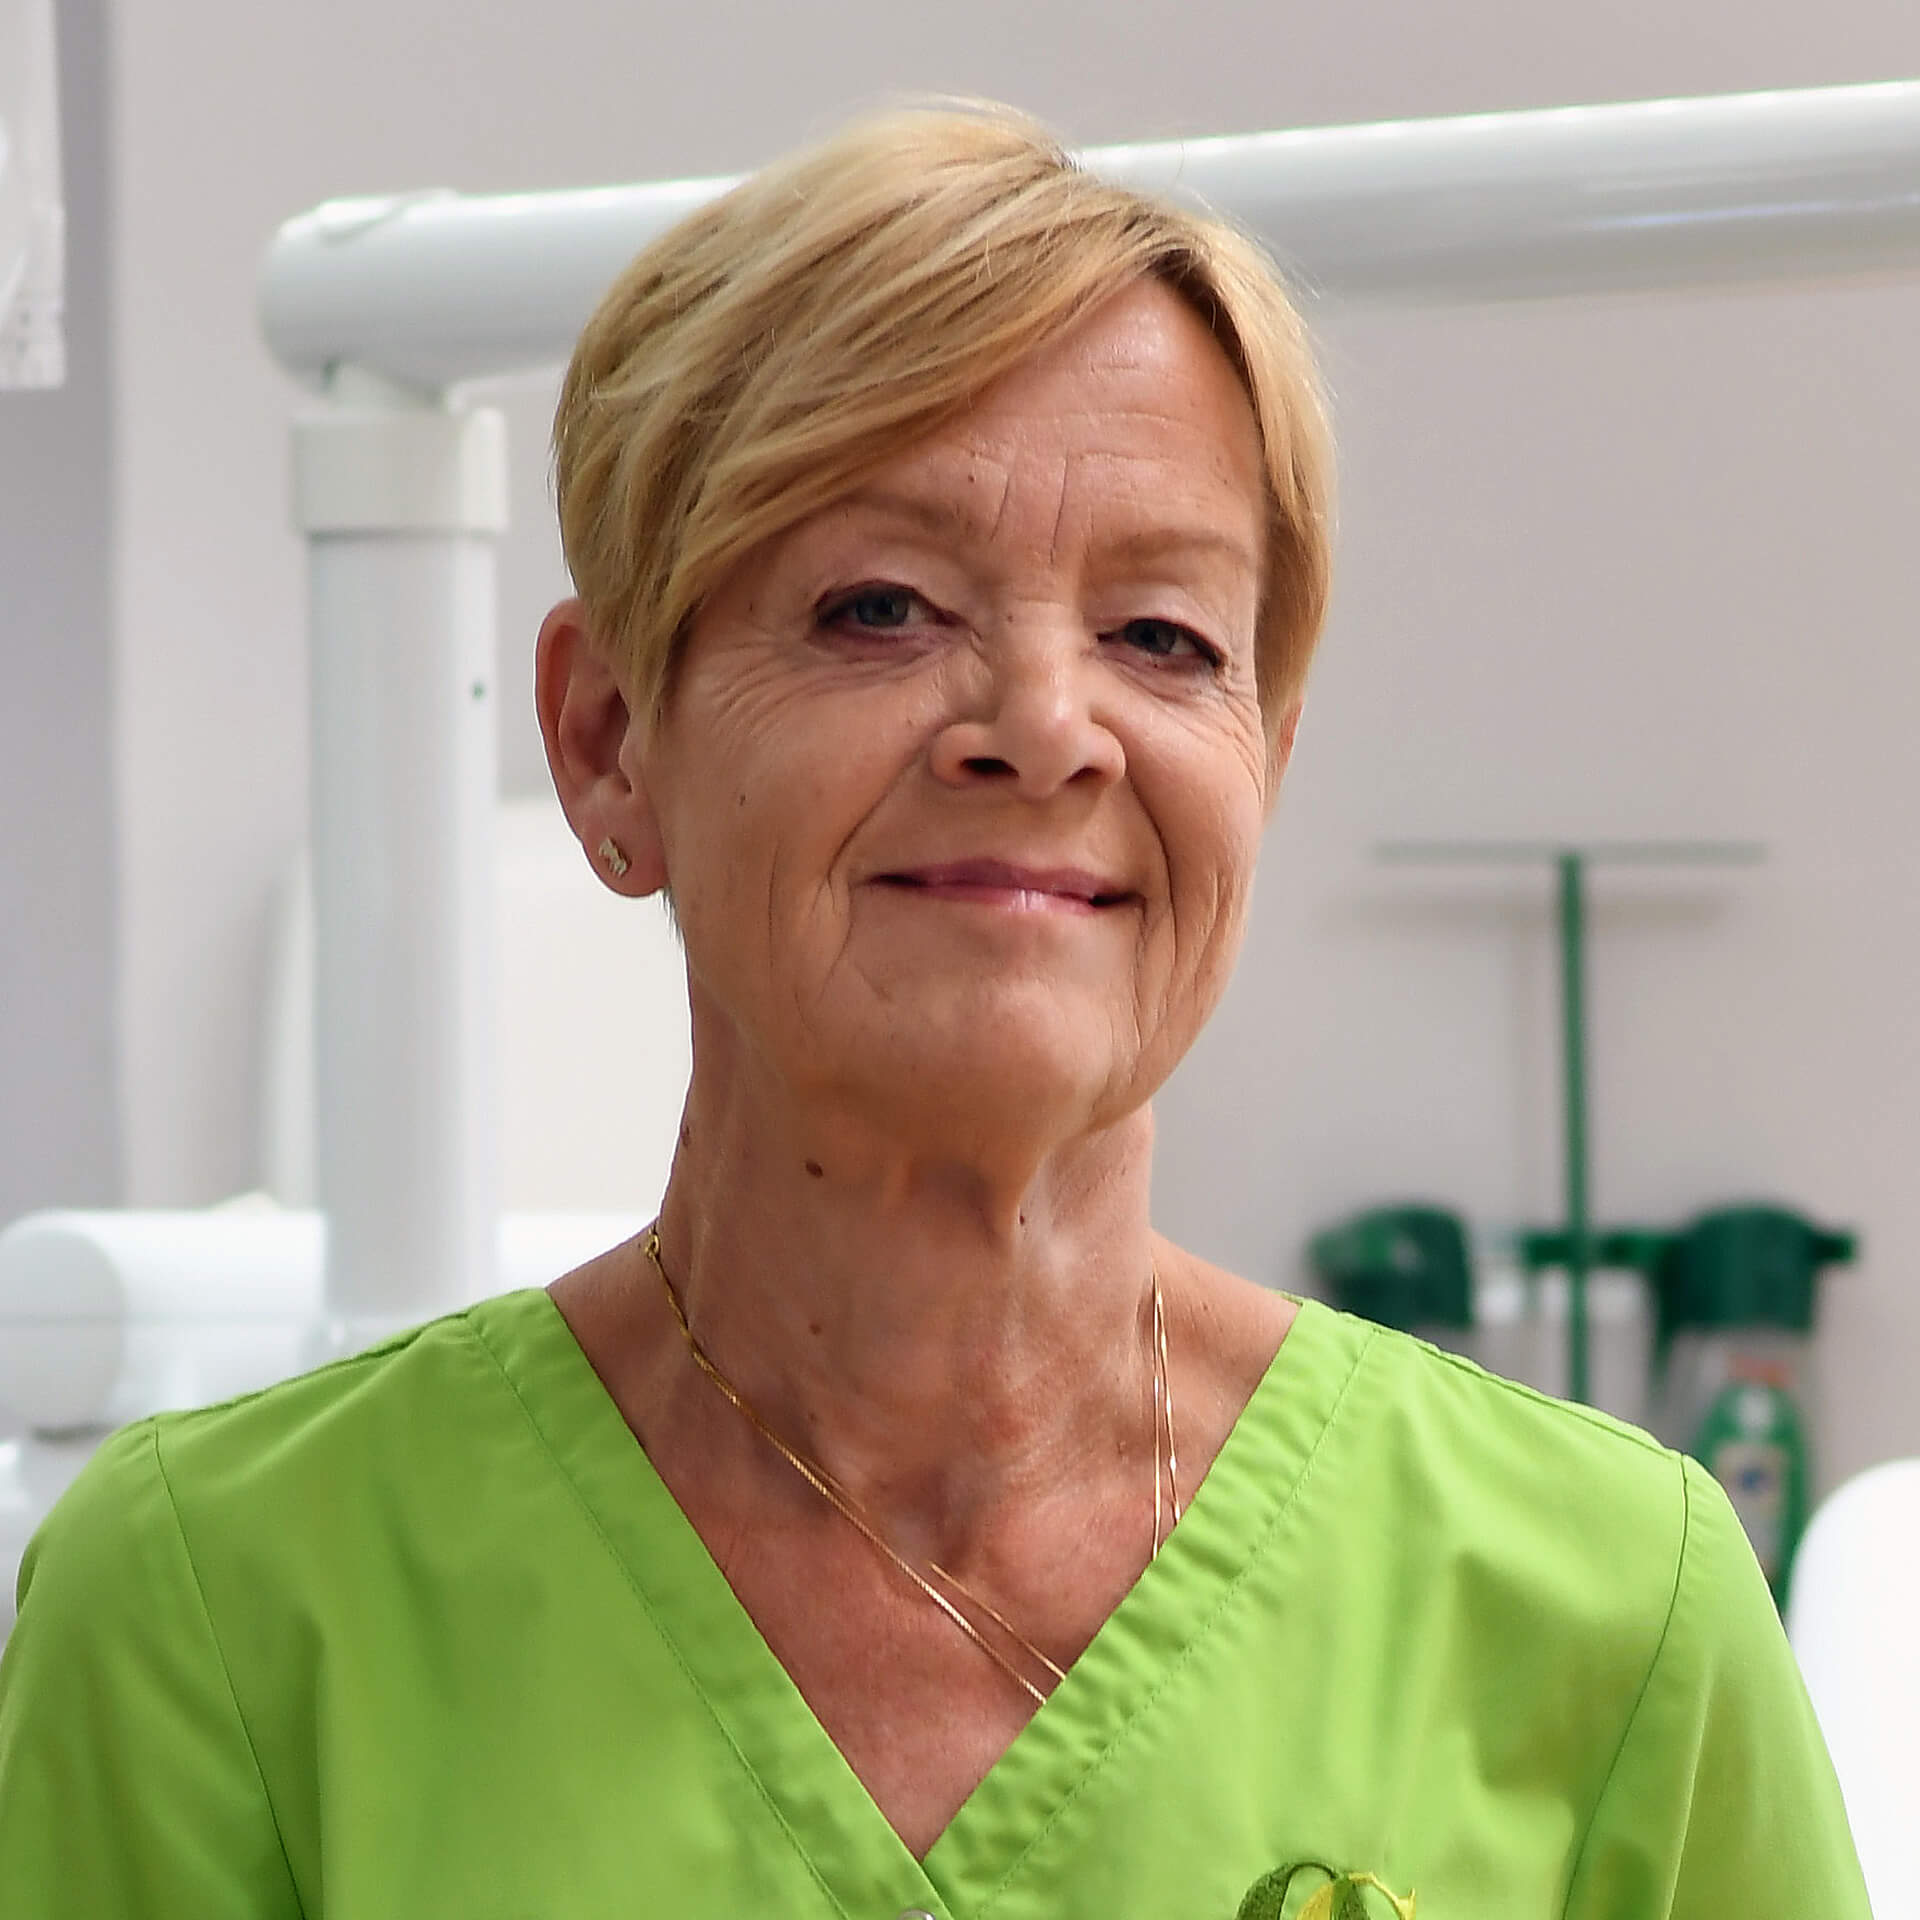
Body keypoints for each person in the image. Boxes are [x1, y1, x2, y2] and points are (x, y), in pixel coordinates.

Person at [0, 106, 1868, 1919]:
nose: (1045, 729)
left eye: (1163, 637)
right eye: (880, 608)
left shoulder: (1610, 1615)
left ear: (1265, 765)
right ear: (608, 740)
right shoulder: (221, 1620)